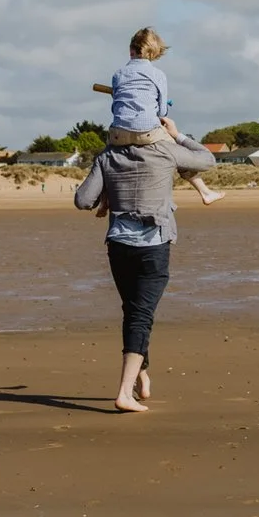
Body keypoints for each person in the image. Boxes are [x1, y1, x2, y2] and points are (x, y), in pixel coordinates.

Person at [75, 80, 218, 413]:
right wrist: (178, 134)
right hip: (153, 245)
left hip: (118, 246)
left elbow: (83, 200)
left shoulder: (108, 155)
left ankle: (141, 372)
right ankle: (125, 392)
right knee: (140, 315)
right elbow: (206, 160)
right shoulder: (165, 149)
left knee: (135, 311)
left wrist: (106, 192)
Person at [94, 28, 221, 205]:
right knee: (175, 150)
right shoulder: (158, 75)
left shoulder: (118, 74)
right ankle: (205, 191)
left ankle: (104, 201)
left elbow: (116, 107)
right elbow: (161, 112)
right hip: (146, 132)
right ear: (153, 53)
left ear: (131, 50)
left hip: (118, 133)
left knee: (107, 158)